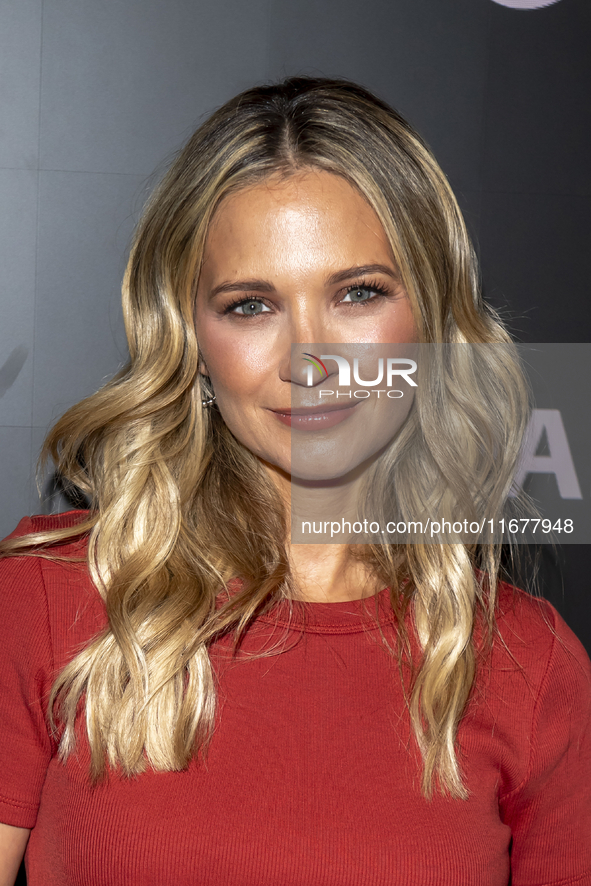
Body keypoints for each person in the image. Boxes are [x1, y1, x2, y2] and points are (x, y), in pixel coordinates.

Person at [0, 77, 589, 886]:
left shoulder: (529, 664)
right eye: (250, 306)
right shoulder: (47, 600)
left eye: (358, 293)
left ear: (432, 320)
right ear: (189, 340)